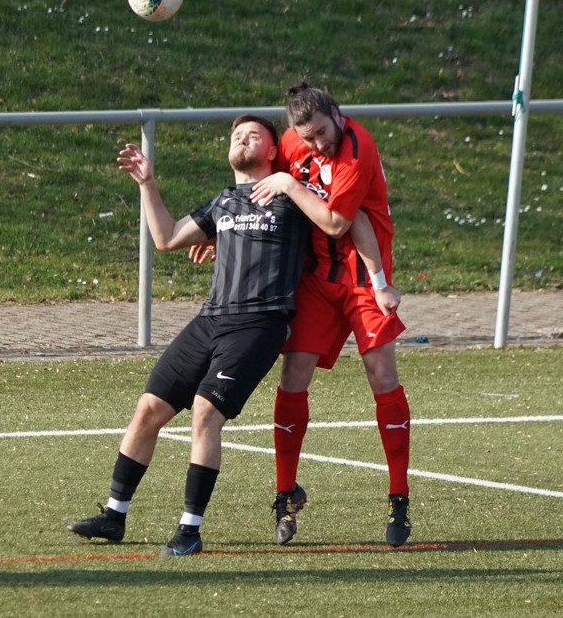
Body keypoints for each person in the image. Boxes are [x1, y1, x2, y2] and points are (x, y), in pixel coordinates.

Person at [66, 115, 310, 556]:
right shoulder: (224, 202)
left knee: (204, 412)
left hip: (259, 323)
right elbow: (165, 238)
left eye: (254, 134)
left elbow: (336, 222)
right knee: (148, 408)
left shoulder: (291, 197)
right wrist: (148, 183)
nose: (242, 138)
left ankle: (189, 531)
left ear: (273, 151)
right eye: (236, 134)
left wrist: (291, 185)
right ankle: (114, 515)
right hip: (210, 319)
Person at [249, 82, 412, 547]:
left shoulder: (358, 148)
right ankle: (285, 493)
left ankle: (398, 496)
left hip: (364, 276)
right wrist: (219, 233)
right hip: (315, 275)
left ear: (337, 114)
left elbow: (342, 222)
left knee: (382, 375)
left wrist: (290, 183)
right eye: (309, 137)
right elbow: (258, 190)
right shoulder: (291, 142)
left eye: (323, 131)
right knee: (293, 375)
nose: (318, 143)